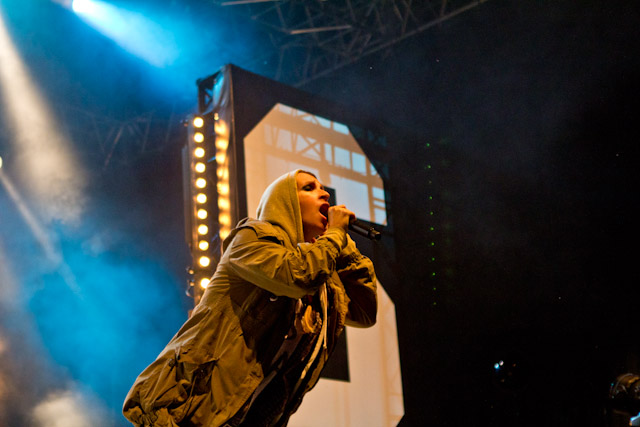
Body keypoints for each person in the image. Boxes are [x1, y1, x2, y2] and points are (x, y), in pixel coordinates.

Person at [123, 170, 378, 426]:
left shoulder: (324, 284)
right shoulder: (251, 238)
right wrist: (335, 234)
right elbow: (298, 277)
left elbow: (365, 313)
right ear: (284, 201)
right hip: (185, 409)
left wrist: (345, 246)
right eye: (309, 187)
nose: (324, 193)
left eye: (322, 188)